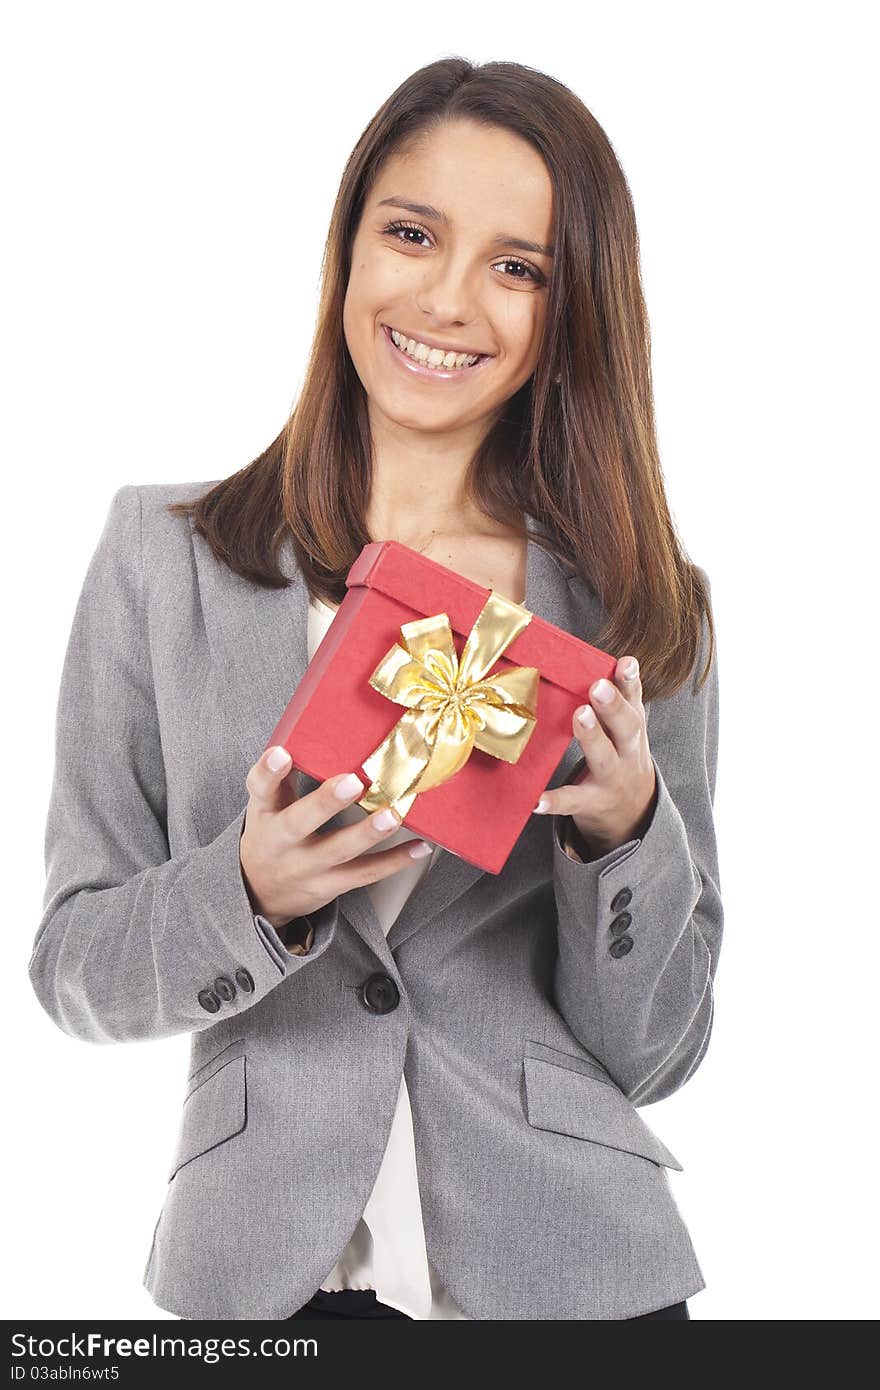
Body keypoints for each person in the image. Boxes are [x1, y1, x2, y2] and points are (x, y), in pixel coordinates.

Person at [29, 57, 721, 1322]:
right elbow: (73, 960)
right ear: (347, 248)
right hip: (264, 1277)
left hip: (575, 1269)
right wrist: (247, 892)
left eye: (520, 268)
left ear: (573, 315)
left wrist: (624, 837)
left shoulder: (634, 603)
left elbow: (660, 1048)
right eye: (412, 234)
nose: (449, 300)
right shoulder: (157, 560)